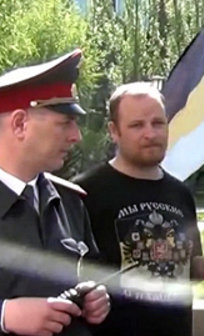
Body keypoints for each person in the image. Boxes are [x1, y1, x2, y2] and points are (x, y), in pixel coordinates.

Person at [73, 82, 204, 336]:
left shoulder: (180, 194)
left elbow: (186, 270)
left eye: (158, 123)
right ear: (113, 131)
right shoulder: (84, 193)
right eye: (137, 125)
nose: (150, 133)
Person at [0, 50, 110, 335]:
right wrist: (4, 315)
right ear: (19, 124)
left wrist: (95, 297)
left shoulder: (69, 202)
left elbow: (88, 274)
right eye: (64, 123)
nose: (76, 136)